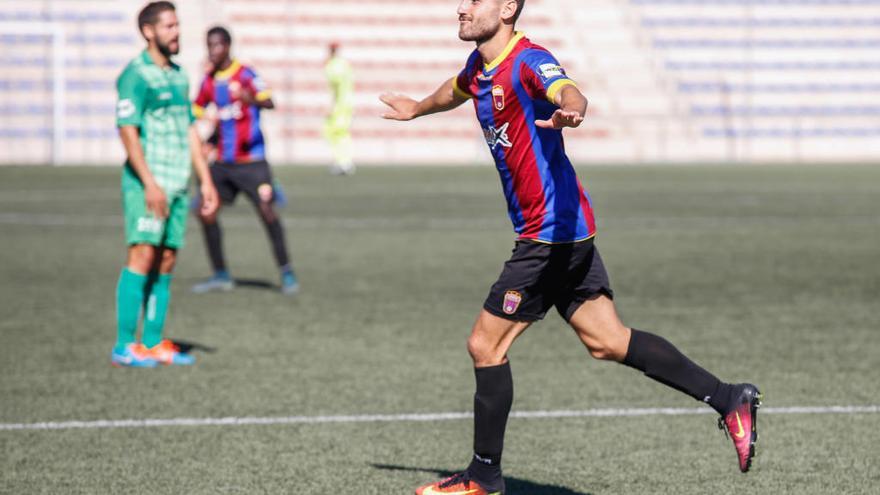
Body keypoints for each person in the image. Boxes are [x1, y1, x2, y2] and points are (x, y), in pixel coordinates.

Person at [379, 1, 762, 493]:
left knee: (485, 345)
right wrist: (415, 108)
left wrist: (573, 110)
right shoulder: (480, 66)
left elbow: (565, 88)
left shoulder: (529, 59)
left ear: (508, 7)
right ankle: (729, 397)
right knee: (609, 341)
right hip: (569, 229)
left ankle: (483, 476)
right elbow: (454, 91)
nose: (462, 7)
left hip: (549, 235)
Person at [113, 1, 219, 367]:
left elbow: (190, 128)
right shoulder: (136, 75)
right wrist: (149, 183)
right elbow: (127, 130)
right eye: (169, 26)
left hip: (177, 184)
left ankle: (154, 341)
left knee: (168, 258)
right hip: (148, 184)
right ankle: (125, 345)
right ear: (149, 31)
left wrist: (205, 180)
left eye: (177, 25)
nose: (176, 32)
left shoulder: (177, 75)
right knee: (142, 255)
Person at [190, 26, 299, 295]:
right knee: (205, 210)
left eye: (216, 45)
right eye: (209, 45)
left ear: (227, 46)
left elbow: (270, 102)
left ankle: (287, 273)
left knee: (267, 211)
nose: (212, 51)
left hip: (252, 161)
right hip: (224, 163)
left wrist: (249, 98)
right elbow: (195, 109)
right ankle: (221, 274)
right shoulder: (208, 81)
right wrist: (208, 134)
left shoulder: (246, 74)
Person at [324, 42, 355, 175]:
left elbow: (336, 85)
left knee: (339, 133)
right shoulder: (343, 63)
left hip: (340, 104)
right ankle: (342, 161)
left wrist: (332, 105)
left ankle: (344, 162)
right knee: (336, 132)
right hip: (344, 103)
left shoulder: (334, 65)